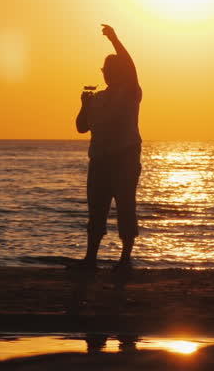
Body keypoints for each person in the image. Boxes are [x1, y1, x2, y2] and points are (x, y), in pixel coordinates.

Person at [75, 25, 142, 271]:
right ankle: (90, 258)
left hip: (124, 157)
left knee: (125, 207)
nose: (108, 75)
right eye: (107, 71)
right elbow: (81, 127)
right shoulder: (98, 99)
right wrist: (83, 105)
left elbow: (131, 67)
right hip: (100, 161)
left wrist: (115, 39)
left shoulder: (130, 93)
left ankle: (125, 259)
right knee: (97, 209)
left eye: (113, 70)